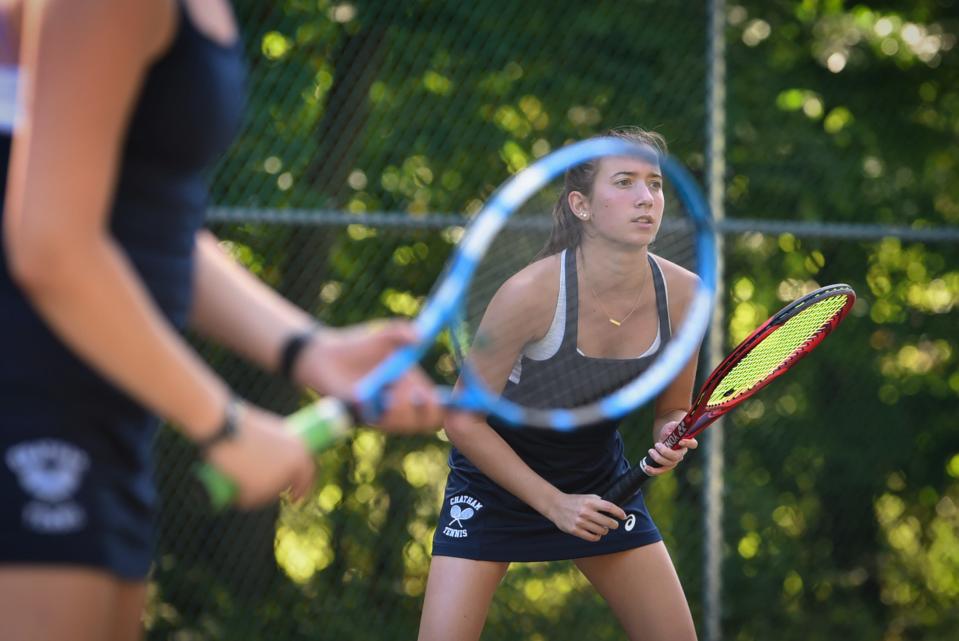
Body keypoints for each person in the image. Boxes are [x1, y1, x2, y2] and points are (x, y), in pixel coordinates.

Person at [0, 2, 442, 640]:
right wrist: (225, 425)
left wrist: (309, 350)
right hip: (32, 406)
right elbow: (52, 244)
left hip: (104, 417)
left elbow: (144, 221)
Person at [418, 127, 702, 641]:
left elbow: (671, 409)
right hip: (495, 488)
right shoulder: (530, 293)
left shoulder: (684, 295)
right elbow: (461, 419)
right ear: (581, 205)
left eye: (655, 184)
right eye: (625, 182)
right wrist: (554, 504)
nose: (646, 198)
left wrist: (670, 433)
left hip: (600, 486)